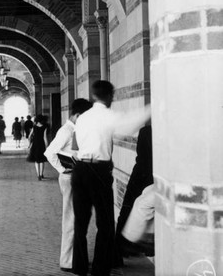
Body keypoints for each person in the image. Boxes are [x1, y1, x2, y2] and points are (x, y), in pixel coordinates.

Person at [72, 80, 150, 276]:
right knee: (105, 224)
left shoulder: (83, 117)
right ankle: (100, 269)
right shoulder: (106, 116)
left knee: (80, 222)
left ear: (94, 95)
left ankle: (79, 267)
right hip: (98, 171)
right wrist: (153, 107)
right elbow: (129, 125)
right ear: (109, 96)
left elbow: (78, 144)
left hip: (79, 169)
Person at [44, 99, 93, 273]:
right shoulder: (66, 131)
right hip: (69, 177)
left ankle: (73, 258)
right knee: (71, 218)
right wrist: (62, 169)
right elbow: (49, 152)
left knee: (74, 217)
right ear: (77, 115)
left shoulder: (73, 130)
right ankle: (68, 260)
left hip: (74, 176)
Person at [116, 124, 153, 259]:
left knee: (126, 209)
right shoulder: (164, 132)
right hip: (151, 176)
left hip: (140, 174)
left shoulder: (145, 131)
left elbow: (142, 155)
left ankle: (121, 249)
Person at [26, 114, 49, 180]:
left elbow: (29, 136)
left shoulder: (34, 127)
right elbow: (45, 138)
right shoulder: (44, 127)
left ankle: (38, 175)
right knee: (42, 160)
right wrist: (47, 146)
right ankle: (41, 174)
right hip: (41, 144)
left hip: (35, 144)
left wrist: (30, 144)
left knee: (36, 160)